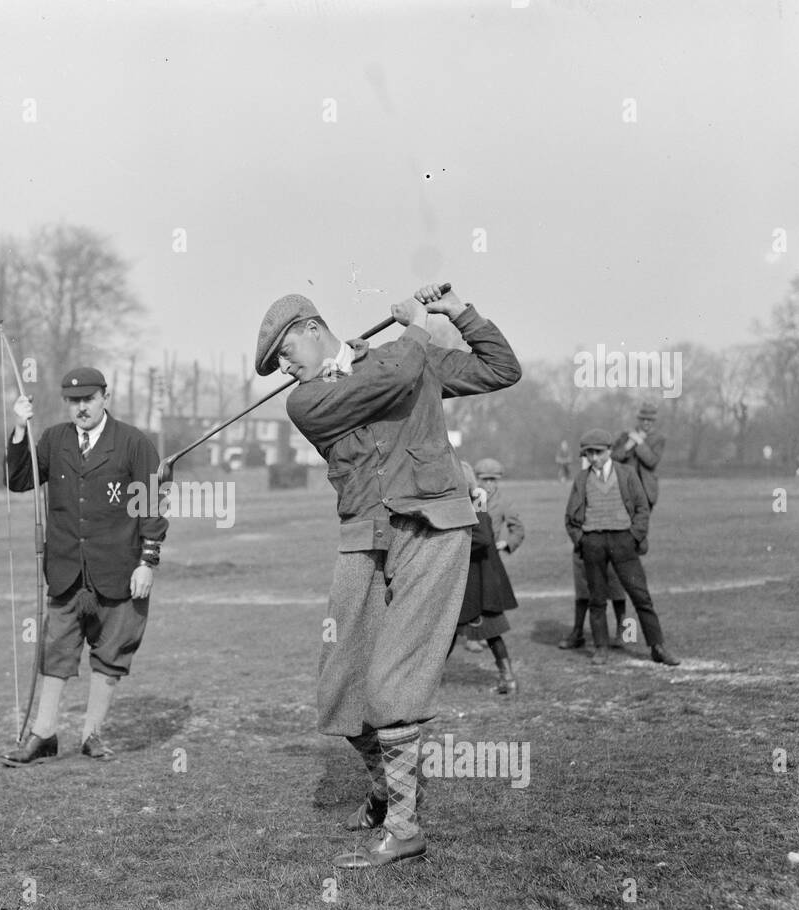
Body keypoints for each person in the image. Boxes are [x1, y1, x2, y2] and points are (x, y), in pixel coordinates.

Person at [258, 282, 521, 869]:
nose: (282, 365)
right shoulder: (305, 401)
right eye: (277, 359)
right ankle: (384, 788)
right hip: (366, 535)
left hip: (433, 523)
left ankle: (404, 827)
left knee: (393, 678)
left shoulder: (401, 356)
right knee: (342, 683)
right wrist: (417, 329)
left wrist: (460, 314)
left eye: (284, 351)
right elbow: (393, 381)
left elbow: (502, 370)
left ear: (310, 327)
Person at [1, 367, 167, 765]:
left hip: (121, 571)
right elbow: (19, 479)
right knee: (56, 652)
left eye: (88, 399)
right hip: (65, 572)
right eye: (74, 401)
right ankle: (43, 734)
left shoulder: (133, 443)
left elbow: (152, 505)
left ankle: (93, 734)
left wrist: (148, 562)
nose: (81, 408)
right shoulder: (54, 440)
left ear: (104, 397)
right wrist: (19, 428)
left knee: (112, 653)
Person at [564, 429, 680, 667]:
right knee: (596, 599)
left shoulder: (626, 474)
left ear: (608, 450)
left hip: (623, 542)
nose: (594, 458)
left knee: (641, 596)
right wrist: (582, 541)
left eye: (598, 452)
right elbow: (570, 517)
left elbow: (641, 509)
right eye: (589, 454)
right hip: (593, 543)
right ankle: (601, 647)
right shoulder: (581, 479)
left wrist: (633, 536)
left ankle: (657, 646)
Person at [453, 463, 519, 695]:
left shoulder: (476, 500)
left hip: (480, 578)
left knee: (486, 629)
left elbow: (482, 538)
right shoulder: (467, 501)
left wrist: (452, 546)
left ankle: (508, 678)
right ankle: (508, 678)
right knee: (452, 630)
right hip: (473, 577)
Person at [612, 401, 666, 511]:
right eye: (643, 419)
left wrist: (640, 442)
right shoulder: (626, 434)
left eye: (649, 420)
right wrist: (627, 446)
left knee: (641, 526)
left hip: (646, 491)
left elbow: (651, 461)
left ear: (653, 421)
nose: (646, 422)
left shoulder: (659, 438)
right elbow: (613, 458)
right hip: (626, 489)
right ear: (639, 419)